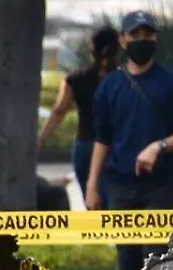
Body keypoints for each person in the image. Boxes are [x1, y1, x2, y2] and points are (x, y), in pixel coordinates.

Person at [87, 11, 173, 270]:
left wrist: (158, 146)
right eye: (134, 35)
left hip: (159, 184)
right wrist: (93, 186)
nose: (141, 40)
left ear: (156, 37)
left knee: (157, 256)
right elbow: (101, 138)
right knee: (126, 255)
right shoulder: (110, 85)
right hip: (119, 185)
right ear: (123, 40)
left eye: (147, 34)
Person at [38, 26, 120, 207]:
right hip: (117, 146)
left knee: (92, 201)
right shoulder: (124, 79)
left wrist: (41, 136)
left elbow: (59, 111)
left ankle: (97, 233)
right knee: (116, 203)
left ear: (92, 49)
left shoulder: (75, 78)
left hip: (85, 145)